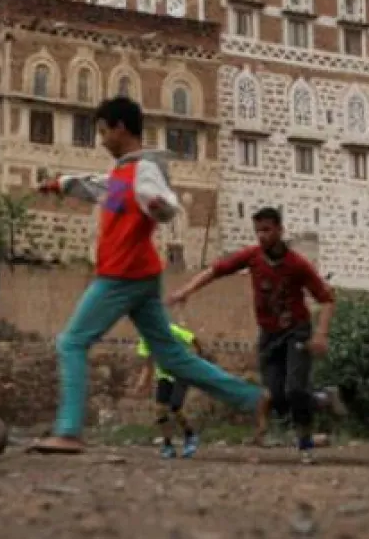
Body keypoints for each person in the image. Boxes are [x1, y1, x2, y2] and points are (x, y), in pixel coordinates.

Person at [29, 97, 269, 455]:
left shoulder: (143, 170)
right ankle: (252, 398)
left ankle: (68, 430)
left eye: (103, 131)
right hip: (140, 276)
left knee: (72, 342)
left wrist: (161, 209)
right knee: (173, 358)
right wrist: (60, 184)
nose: (102, 140)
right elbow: (98, 188)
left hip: (121, 276)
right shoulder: (121, 174)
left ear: (120, 128)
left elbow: (163, 200)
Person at [169, 207, 334, 464]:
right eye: (258, 231)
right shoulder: (252, 257)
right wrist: (185, 291)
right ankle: (323, 398)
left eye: (267, 230)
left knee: (296, 389)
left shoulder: (297, 265)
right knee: (275, 396)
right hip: (269, 334)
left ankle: (305, 444)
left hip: (296, 331)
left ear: (280, 230)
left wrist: (321, 334)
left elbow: (326, 299)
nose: (262, 236)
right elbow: (216, 270)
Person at [134, 320, 203, 459]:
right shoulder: (145, 339)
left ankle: (190, 435)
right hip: (164, 376)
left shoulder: (170, 329)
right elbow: (148, 364)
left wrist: (197, 359)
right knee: (160, 411)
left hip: (181, 373)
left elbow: (192, 338)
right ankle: (167, 444)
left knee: (175, 407)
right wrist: (143, 381)